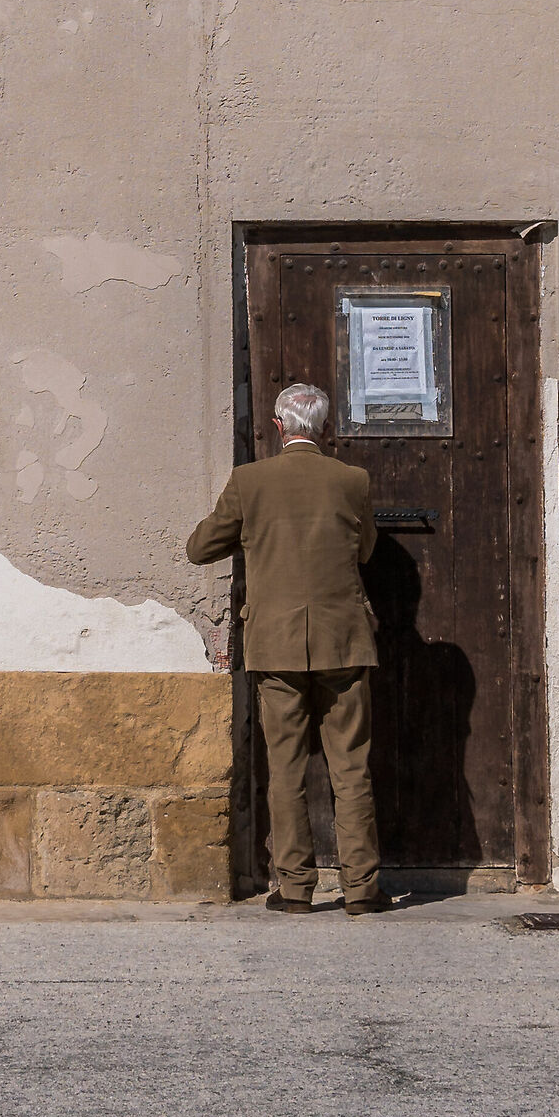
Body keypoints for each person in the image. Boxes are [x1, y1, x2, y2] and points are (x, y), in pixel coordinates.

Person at [186, 381, 389, 915]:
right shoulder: (352, 480)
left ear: (279, 426)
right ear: (324, 427)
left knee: (286, 767)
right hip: (343, 641)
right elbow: (366, 549)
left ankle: (295, 888)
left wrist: (251, 532)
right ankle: (362, 889)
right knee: (351, 768)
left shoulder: (250, 481)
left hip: (274, 644)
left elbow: (200, 548)